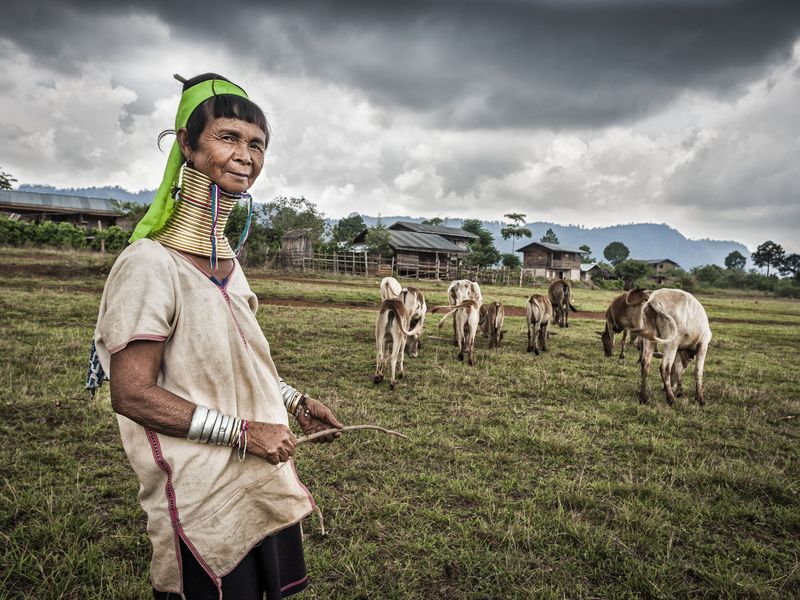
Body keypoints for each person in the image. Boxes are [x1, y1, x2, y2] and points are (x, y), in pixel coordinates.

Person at [87, 73, 343, 599]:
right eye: (228, 137)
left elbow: (234, 359)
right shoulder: (149, 265)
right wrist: (245, 433)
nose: (245, 155)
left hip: (261, 482)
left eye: (257, 144)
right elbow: (131, 392)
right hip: (201, 496)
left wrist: (293, 401)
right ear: (186, 143)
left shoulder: (226, 262)